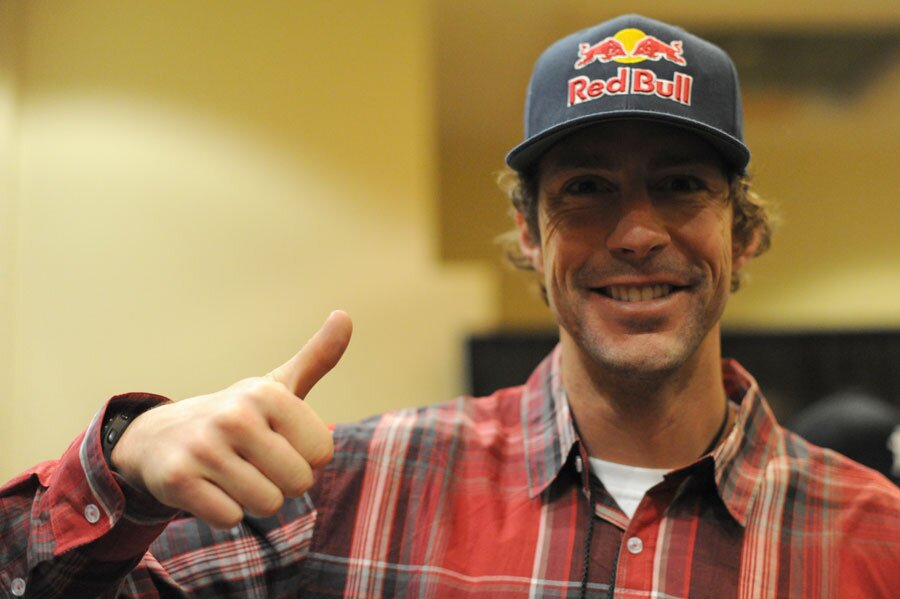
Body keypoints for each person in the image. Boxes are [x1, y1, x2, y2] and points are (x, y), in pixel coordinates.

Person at [1, 14, 898, 598]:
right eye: (586, 188)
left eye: (681, 185)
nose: (636, 232)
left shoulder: (877, 537)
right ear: (530, 236)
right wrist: (123, 462)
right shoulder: (340, 496)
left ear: (743, 233)